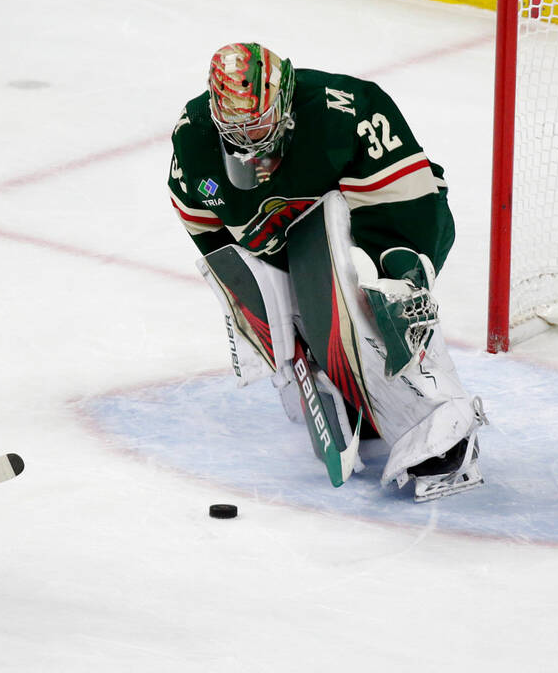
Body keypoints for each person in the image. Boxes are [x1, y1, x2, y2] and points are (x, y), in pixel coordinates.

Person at [168, 42, 487, 501]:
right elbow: (211, 234)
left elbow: (411, 208)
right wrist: (262, 320)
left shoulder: (349, 111)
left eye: (259, 122)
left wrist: (403, 274)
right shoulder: (195, 141)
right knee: (292, 321)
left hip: (375, 219)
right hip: (284, 247)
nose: (250, 140)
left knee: (384, 305)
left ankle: (445, 429)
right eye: (236, 128)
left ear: (285, 98)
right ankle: (359, 397)